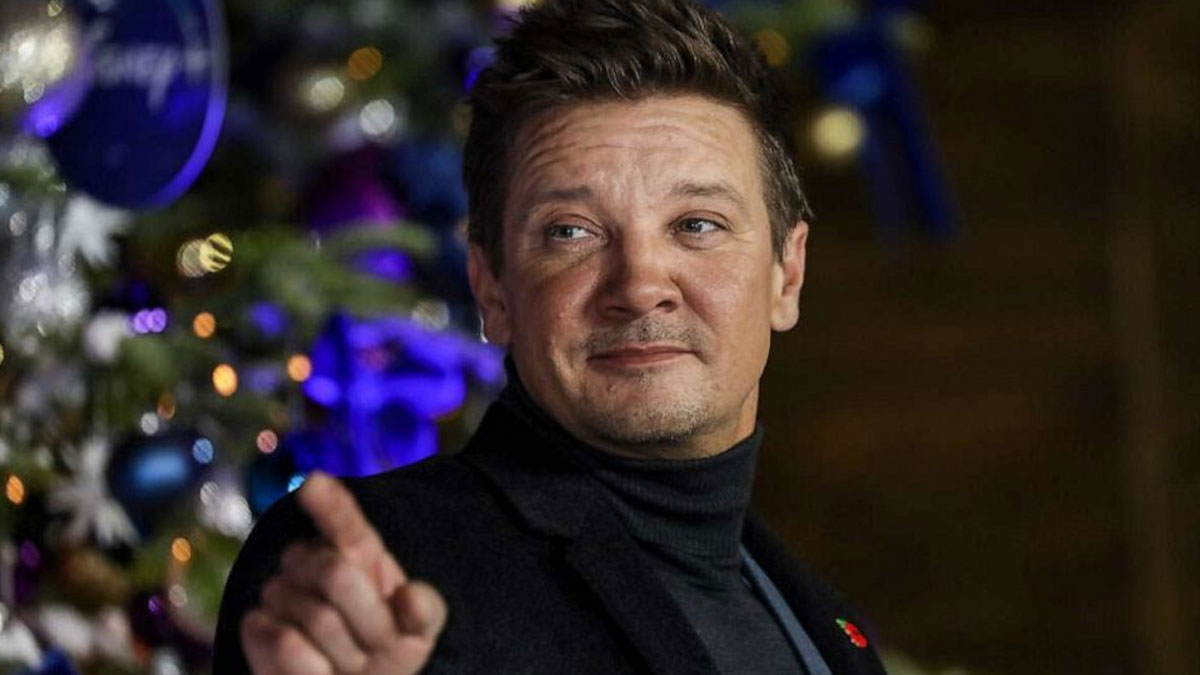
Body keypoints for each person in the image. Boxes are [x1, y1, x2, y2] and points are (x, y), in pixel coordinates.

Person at [214, 0, 889, 673]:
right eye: (571, 231)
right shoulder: (373, 577)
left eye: (697, 225)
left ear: (787, 274)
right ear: (492, 288)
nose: (639, 284)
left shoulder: (830, 631)